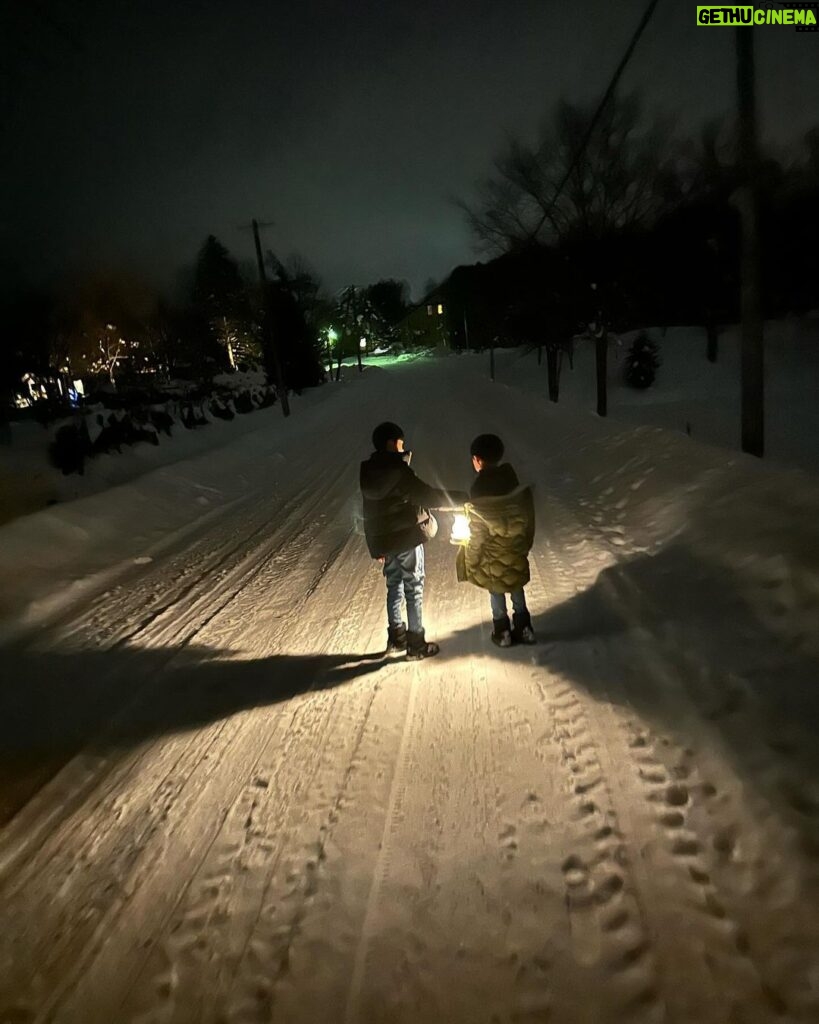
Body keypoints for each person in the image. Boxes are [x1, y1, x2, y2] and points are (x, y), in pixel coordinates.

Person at [360, 421, 467, 660]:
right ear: (391, 443)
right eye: (401, 443)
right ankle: (416, 644)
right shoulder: (398, 471)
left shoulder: (368, 472)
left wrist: (375, 546)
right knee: (413, 587)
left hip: (386, 542)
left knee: (394, 586)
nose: (403, 447)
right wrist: (461, 499)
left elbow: (369, 512)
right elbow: (427, 495)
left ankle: (396, 639)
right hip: (407, 537)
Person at [458, 433, 536, 647]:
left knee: (497, 589)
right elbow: (529, 519)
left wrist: (470, 560)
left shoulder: (478, 492)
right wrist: (524, 545)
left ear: (477, 460)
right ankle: (525, 628)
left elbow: (477, 535)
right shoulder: (513, 483)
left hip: (493, 557)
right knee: (517, 586)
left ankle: (502, 632)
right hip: (516, 550)